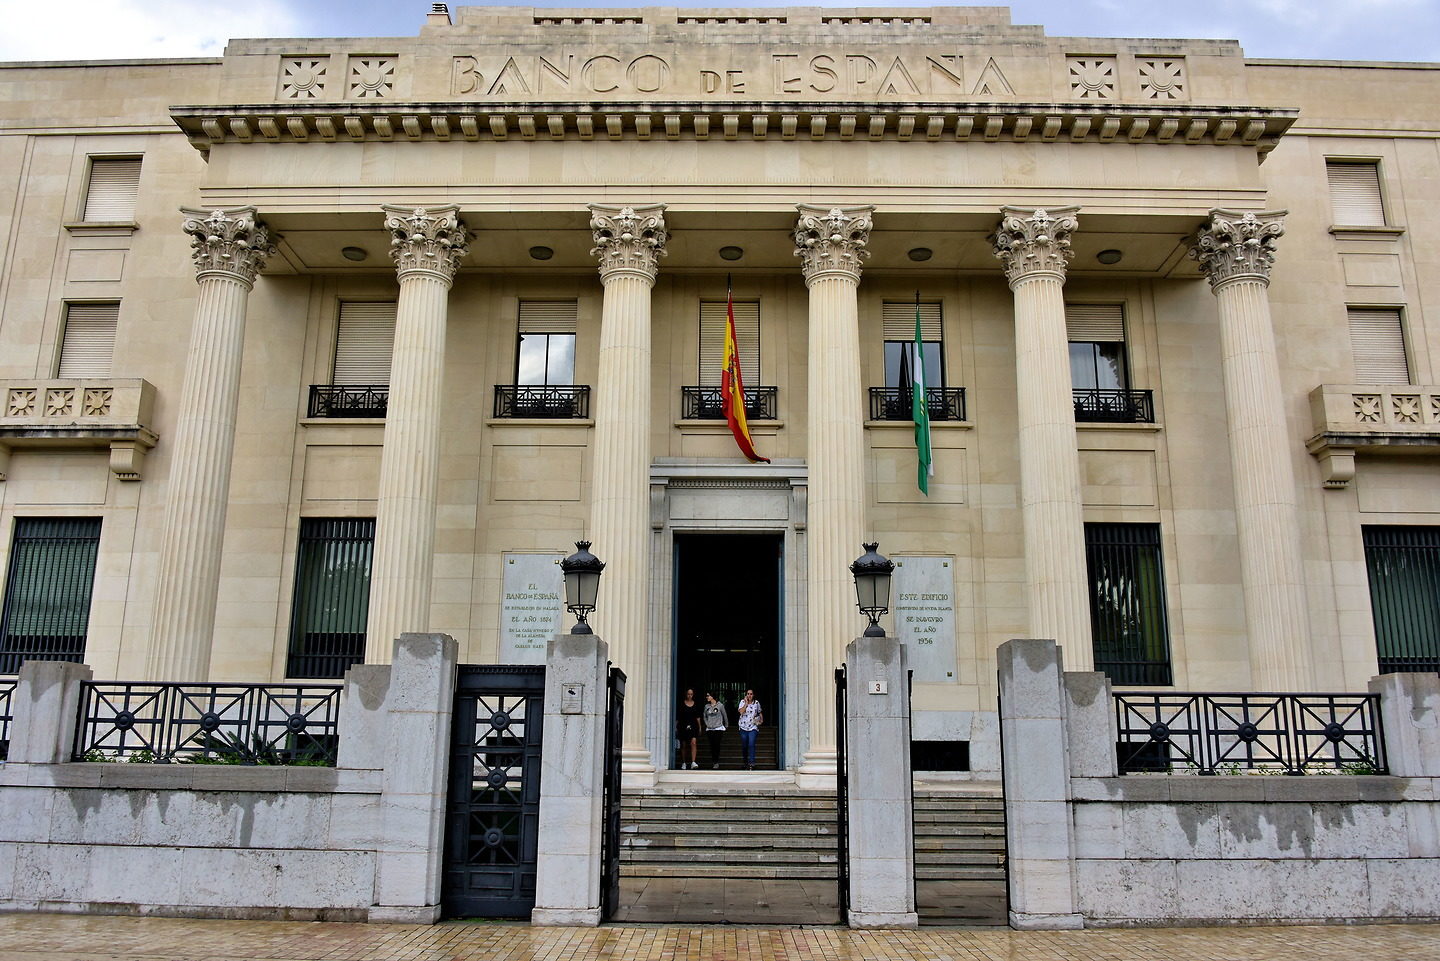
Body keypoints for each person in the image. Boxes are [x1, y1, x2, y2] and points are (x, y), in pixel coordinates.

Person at [675, 688, 703, 770]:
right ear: (686, 694)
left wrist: (700, 727)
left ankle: (693, 762)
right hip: (683, 725)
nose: (690, 696)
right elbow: (678, 717)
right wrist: (675, 727)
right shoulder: (682, 704)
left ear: (693, 695)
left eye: (691, 694)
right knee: (683, 745)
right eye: (688, 694)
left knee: (693, 742)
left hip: (693, 725)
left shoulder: (696, 704)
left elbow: (698, 717)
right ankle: (683, 763)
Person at [736, 689, 762, 770]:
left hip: (753, 727)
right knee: (744, 746)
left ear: (753, 695)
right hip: (743, 727)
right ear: (746, 695)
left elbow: (760, 712)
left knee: (751, 744)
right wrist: (746, 704)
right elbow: (741, 712)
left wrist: (761, 720)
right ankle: (745, 762)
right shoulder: (742, 702)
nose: (749, 695)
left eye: (751, 694)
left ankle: (752, 763)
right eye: (748, 694)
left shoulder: (756, 703)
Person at [702, 692, 728, 769]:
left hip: (718, 728)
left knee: (717, 745)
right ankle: (714, 761)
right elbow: (704, 716)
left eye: (708, 695)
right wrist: (707, 724)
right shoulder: (706, 706)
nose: (707, 697)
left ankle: (716, 762)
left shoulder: (720, 705)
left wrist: (726, 725)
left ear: (712, 696)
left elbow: (724, 715)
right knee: (712, 745)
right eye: (706, 696)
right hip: (710, 729)